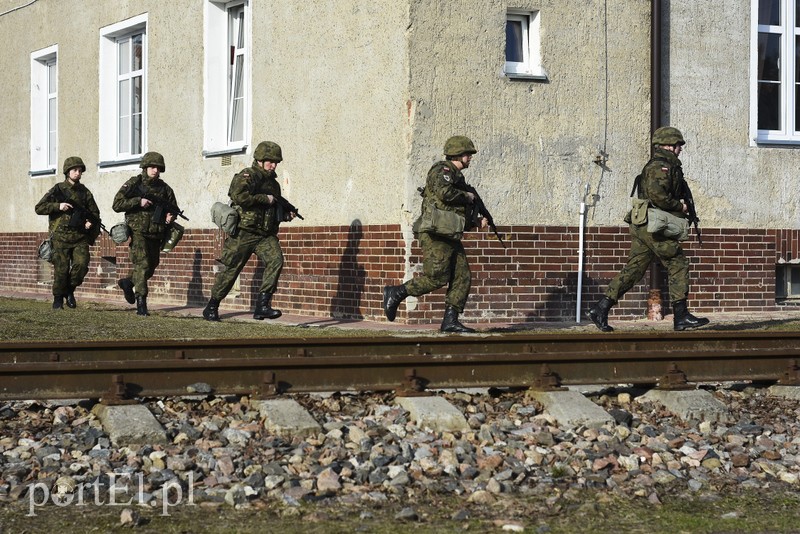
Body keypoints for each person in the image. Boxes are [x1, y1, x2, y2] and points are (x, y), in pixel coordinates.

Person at [588, 126, 709, 332]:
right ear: (669, 145)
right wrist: (680, 206)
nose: (681, 149)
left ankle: (601, 308)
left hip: (644, 225)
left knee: (634, 269)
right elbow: (657, 196)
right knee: (677, 262)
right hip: (653, 227)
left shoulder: (666, 165)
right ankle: (681, 316)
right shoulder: (661, 166)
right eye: (678, 145)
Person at [382, 135, 487, 333]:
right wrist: (467, 196)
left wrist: (475, 222)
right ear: (458, 154)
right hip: (435, 236)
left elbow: (450, 213)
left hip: (448, 235)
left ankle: (450, 321)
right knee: (436, 277)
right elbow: (443, 194)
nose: (470, 157)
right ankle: (396, 292)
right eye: (467, 154)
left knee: (462, 276)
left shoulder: (457, 177)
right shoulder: (443, 170)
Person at [202, 141, 296, 321]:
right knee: (231, 270)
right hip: (244, 233)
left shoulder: (274, 185)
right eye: (270, 161)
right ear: (260, 160)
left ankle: (263, 305)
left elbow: (272, 211)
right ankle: (212, 306)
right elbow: (238, 196)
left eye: (276, 162)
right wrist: (264, 198)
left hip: (264, 235)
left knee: (276, 260)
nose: (273, 165)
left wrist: (285, 216)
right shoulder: (248, 176)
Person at [112, 152, 179, 316]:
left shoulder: (165, 188)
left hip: (156, 233)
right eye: (152, 167)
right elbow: (117, 204)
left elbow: (173, 208)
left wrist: (170, 217)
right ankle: (141, 303)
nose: (155, 170)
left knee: (151, 266)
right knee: (142, 266)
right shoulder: (134, 184)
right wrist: (138, 201)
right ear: (145, 167)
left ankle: (127, 282)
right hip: (139, 231)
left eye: (158, 168)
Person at [34, 157, 102, 309]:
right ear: (67, 172)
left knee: (82, 265)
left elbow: (95, 213)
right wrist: (58, 206)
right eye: (74, 170)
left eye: (79, 171)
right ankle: (58, 298)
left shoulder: (84, 192)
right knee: (61, 269)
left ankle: (69, 290)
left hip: (80, 237)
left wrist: (91, 222)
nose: (77, 173)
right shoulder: (58, 189)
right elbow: (39, 208)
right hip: (60, 237)